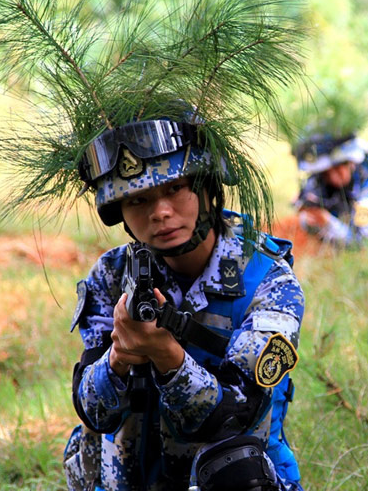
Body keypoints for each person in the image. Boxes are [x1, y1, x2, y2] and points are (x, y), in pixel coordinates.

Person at [62, 116, 304, 491]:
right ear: (121, 213)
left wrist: (166, 355)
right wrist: (119, 358)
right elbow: (94, 411)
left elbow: (235, 417)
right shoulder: (110, 276)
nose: (159, 212)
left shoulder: (267, 281)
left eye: (175, 189)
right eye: (137, 199)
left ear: (208, 190)